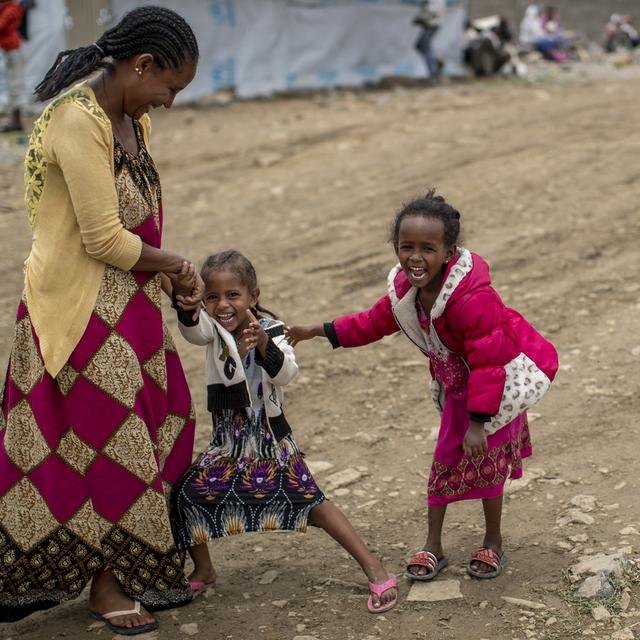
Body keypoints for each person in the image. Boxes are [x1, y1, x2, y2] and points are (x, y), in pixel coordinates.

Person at [0, 6, 201, 635]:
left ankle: (133, 567)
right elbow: (104, 239)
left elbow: (139, 220)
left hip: (128, 306)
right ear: (141, 66)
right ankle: (103, 585)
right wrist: (175, 264)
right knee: (101, 449)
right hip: (78, 307)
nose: (169, 102)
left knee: (158, 427)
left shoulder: (131, 116)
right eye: (170, 87)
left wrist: (166, 280)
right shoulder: (75, 121)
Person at [285, 191, 558, 581]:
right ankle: (434, 544)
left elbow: (488, 361)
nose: (415, 257)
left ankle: (493, 541)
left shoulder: (471, 299)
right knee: (444, 466)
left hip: (495, 392)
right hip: (459, 393)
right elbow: (372, 322)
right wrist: (316, 331)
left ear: (449, 252)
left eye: (427, 248)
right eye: (405, 246)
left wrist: (479, 422)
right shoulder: (407, 293)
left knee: (490, 467)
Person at [169, 250, 398, 614]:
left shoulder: (273, 332)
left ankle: (374, 567)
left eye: (233, 295)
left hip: (270, 442)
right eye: (212, 297)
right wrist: (186, 305)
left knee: (314, 505)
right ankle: (205, 570)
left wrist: (262, 345)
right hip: (229, 443)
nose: (223, 305)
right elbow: (192, 330)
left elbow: (286, 374)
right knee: (185, 496)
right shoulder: (213, 332)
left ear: (253, 297)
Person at [0, 0, 26, 132]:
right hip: (8, 51)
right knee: (11, 87)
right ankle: (14, 120)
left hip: (13, 52)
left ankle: (17, 121)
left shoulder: (11, 8)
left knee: (15, 86)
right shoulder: (6, 7)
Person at [413, 0, 445, 82]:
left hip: (431, 24)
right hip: (431, 24)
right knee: (421, 46)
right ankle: (435, 62)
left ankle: (434, 71)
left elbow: (432, 11)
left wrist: (420, 18)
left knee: (424, 47)